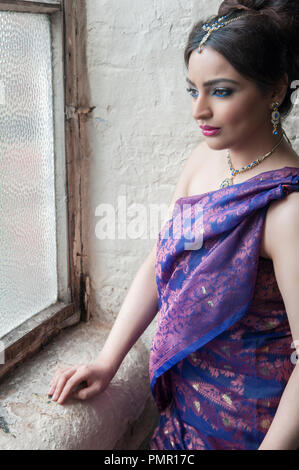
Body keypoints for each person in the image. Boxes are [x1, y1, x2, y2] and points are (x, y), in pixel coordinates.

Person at [48, 0, 299, 450]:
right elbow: (162, 257)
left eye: (220, 91)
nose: (198, 111)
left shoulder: (288, 208)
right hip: (183, 407)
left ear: (275, 89)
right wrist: (107, 362)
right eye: (192, 91)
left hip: (253, 425)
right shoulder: (203, 160)